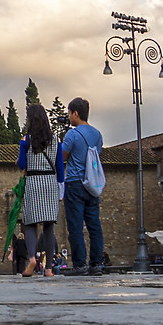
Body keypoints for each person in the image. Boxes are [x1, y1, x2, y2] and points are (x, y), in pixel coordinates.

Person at [59, 97, 106, 274]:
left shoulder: (72, 134)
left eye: (70, 113)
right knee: (94, 225)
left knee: (75, 226)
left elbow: (63, 156)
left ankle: (79, 264)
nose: (69, 116)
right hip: (92, 184)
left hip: (74, 182)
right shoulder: (97, 134)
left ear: (75, 113)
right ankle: (96, 264)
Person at [18, 103, 61, 276]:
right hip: (50, 182)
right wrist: (60, 188)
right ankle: (49, 268)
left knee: (30, 224)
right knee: (49, 226)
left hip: (33, 182)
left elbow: (22, 164)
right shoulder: (56, 139)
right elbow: (59, 166)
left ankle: (32, 260)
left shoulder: (26, 140)